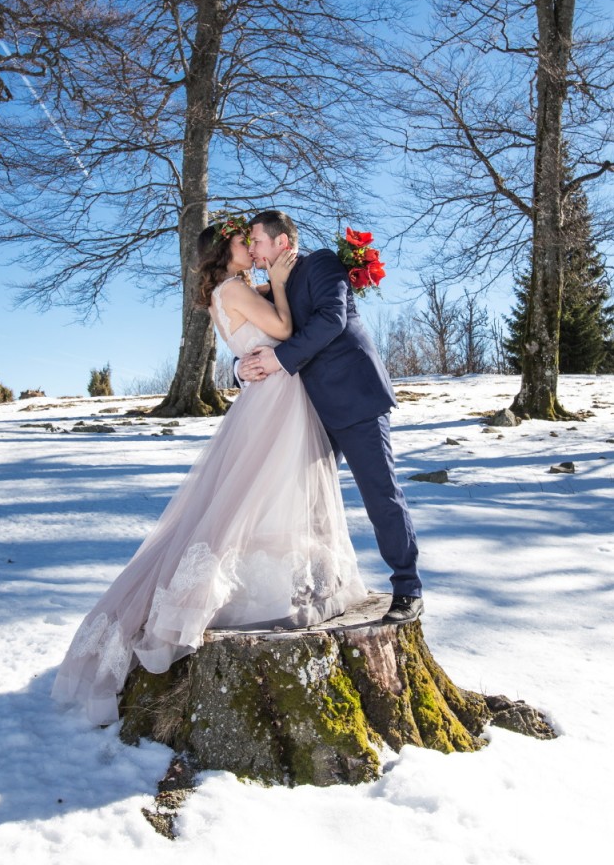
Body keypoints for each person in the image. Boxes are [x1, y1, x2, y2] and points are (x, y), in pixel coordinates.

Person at [52, 217, 367, 725]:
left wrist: (280, 287)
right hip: (277, 399)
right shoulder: (233, 289)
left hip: (269, 395)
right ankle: (246, 592)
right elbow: (285, 329)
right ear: (226, 251)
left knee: (260, 493)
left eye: (253, 242)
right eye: (245, 243)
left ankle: (287, 578)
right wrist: (283, 287)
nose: (252, 249)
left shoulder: (234, 289)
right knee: (261, 492)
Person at [238, 210, 423, 625]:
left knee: (381, 495)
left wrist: (279, 358)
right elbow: (253, 335)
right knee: (308, 503)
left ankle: (408, 587)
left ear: (282, 242)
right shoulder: (271, 290)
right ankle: (322, 586)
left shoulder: (321, 262)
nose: (251, 249)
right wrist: (241, 368)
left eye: (257, 241)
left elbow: (331, 319)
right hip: (306, 412)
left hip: (355, 396)